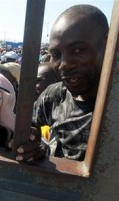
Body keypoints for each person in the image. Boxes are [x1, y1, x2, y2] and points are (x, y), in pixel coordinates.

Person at [12, 4, 109, 162]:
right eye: (56, 54)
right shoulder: (53, 96)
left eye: (78, 50)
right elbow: (36, 129)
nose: (63, 64)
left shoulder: (113, 106)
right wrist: (37, 145)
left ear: (106, 47)